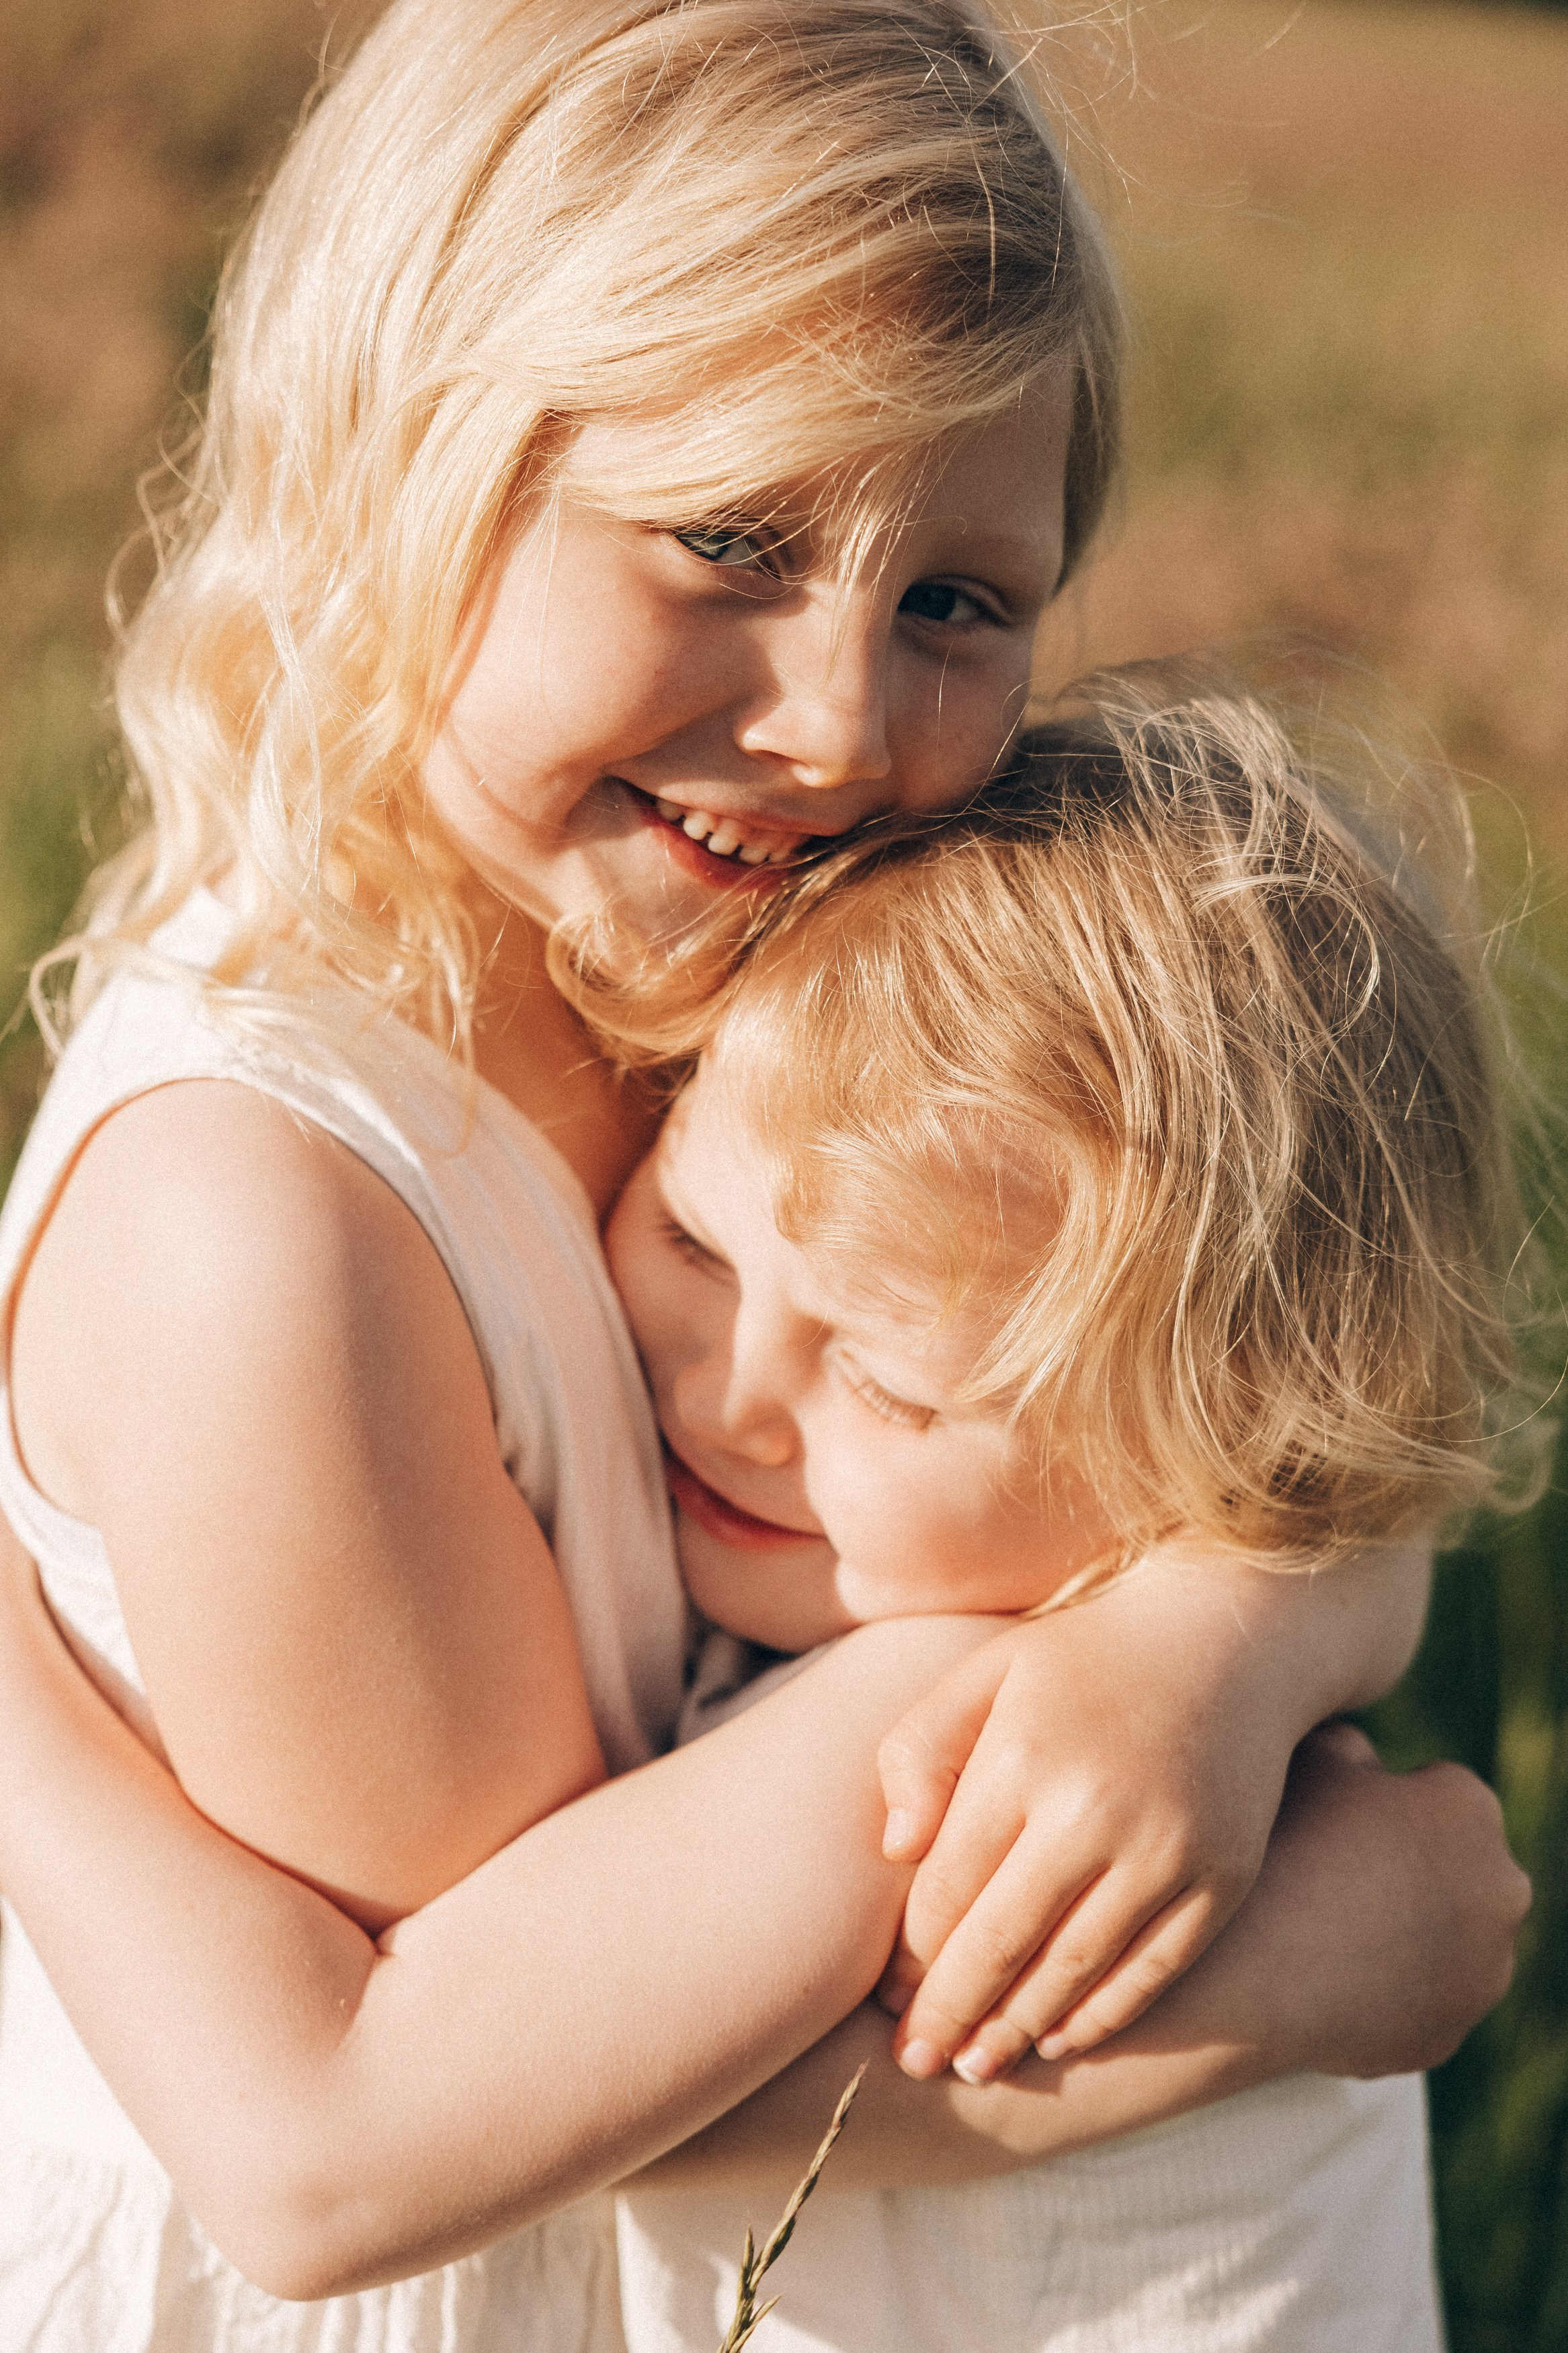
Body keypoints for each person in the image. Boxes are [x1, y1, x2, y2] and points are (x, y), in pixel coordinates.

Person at [0, 0, 1528, 2344]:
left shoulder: (764, 961)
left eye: (955, 602)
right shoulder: (258, 1235)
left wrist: (1218, 1642)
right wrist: (1307, 1952)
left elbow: (1247, 1390)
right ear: (411, 445)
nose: (836, 721)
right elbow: (406, 2136)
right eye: (729, 536)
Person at [601, 668, 1542, 2346]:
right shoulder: (1074, 1624)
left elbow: (566, 2110)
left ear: (1217, 1458)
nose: (727, 1394)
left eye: (890, 1384)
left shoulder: (1035, 1774)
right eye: (690, 1237)